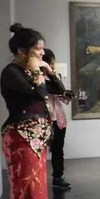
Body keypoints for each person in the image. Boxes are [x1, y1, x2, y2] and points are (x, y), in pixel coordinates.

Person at [0, 24, 66, 199]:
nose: (41, 53)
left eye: (42, 49)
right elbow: (38, 94)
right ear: (21, 50)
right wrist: (39, 71)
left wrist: (48, 68)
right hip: (20, 135)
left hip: (37, 136)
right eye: (37, 49)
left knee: (37, 191)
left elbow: (59, 89)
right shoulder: (12, 72)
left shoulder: (32, 69)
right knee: (27, 192)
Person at [42, 48, 72, 190]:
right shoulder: (37, 78)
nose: (53, 66)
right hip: (43, 117)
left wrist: (67, 95)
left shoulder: (54, 77)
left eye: (53, 63)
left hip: (58, 117)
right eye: (51, 63)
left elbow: (61, 94)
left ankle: (58, 177)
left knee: (58, 149)